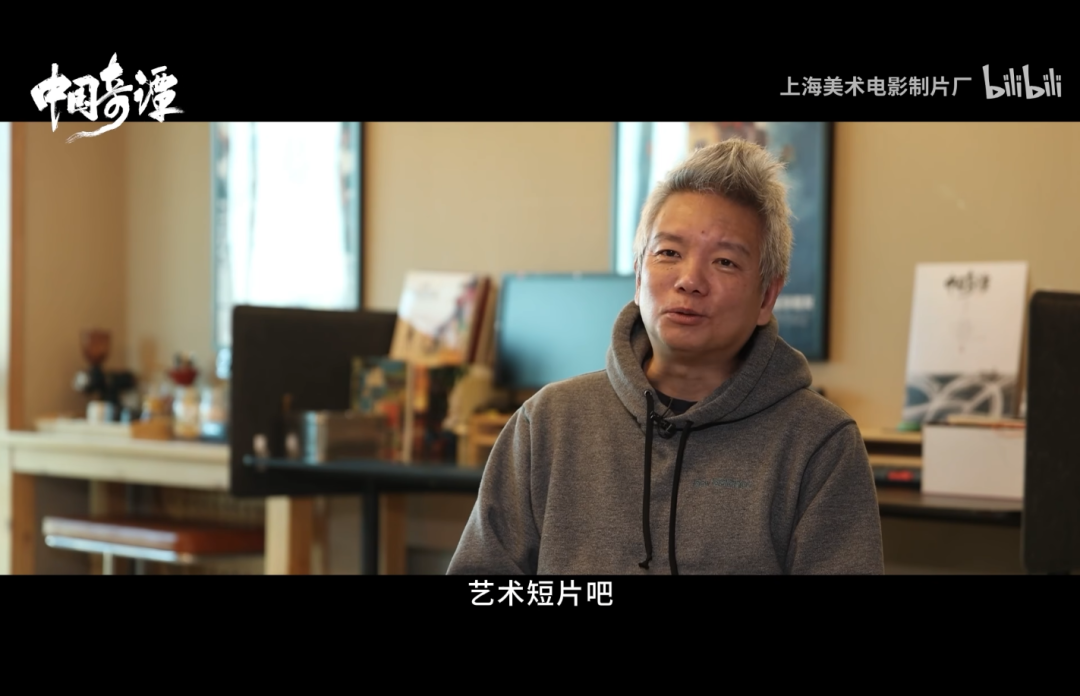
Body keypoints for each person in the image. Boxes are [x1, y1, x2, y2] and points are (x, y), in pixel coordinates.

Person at [447, 139, 884, 575]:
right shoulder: (547, 423)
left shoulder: (820, 444)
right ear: (639, 277)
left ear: (767, 296)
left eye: (725, 262)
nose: (690, 280)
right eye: (669, 253)